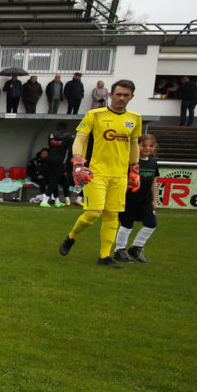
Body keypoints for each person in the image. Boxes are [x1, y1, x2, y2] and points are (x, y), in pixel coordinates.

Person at [59, 80, 143, 267]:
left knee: (112, 215)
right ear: (111, 95)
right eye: (118, 94)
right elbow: (80, 138)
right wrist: (78, 162)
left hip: (120, 175)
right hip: (95, 173)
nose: (122, 98)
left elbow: (134, 144)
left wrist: (134, 169)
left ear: (131, 97)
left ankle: (104, 257)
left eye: (126, 95)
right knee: (93, 213)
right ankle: (72, 236)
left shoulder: (135, 118)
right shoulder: (95, 115)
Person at [114, 133, 159, 263]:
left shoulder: (153, 162)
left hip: (145, 200)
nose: (147, 148)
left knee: (151, 224)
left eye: (151, 146)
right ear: (136, 145)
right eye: (143, 145)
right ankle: (119, 250)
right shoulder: (130, 161)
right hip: (129, 199)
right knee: (127, 225)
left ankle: (136, 248)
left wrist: (154, 200)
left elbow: (154, 183)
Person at [41, 122, 75, 206]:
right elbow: (70, 150)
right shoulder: (68, 136)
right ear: (66, 127)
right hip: (60, 160)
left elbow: (50, 146)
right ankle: (45, 200)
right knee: (55, 180)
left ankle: (56, 200)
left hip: (50, 158)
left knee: (53, 180)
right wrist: (68, 162)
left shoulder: (52, 134)